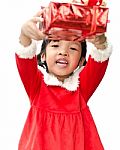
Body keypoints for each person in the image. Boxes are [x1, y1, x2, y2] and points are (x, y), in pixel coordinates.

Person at [15, 10, 112, 150]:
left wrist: (101, 42)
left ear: (81, 62)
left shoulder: (81, 89)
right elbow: (24, 59)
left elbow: (100, 60)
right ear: (42, 56)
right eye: (55, 45)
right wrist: (25, 35)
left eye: (73, 48)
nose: (63, 52)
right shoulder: (36, 87)